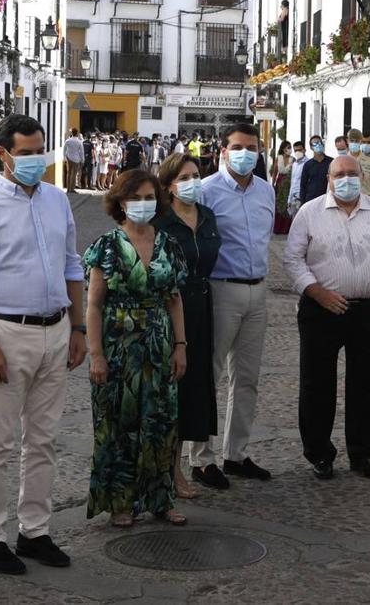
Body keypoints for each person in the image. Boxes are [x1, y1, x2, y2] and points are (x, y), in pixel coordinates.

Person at [0, 114, 86, 575]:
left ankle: (35, 531)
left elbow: (72, 264)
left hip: (57, 330)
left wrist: (79, 328)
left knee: (44, 440)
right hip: (8, 333)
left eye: (39, 150)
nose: (35, 159)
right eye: (25, 153)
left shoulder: (56, 200)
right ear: (3, 154)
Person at [283, 155, 370, 482]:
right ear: (329, 178)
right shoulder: (309, 213)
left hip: (368, 311)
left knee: (367, 385)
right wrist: (316, 292)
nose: (347, 179)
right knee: (317, 383)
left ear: (363, 176)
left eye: (353, 173)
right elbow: (293, 260)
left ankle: (362, 453)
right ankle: (319, 454)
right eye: (340, 174)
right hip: (321, 310)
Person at [85, 169, 189, 527]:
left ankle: (162, 498)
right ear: (120, 202)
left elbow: (175, 300)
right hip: (118, 348)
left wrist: (181, 345)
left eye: (149, 198)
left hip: (159, 345)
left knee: (161, 421)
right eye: (136, 198)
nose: (143, 205)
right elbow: (94, 305)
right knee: (119, 423)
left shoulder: (168, 245)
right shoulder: (107, 246)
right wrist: (95, 353)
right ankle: (121, 502)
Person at [190, 123, 275, 489]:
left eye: (252, 147)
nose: (246, 153)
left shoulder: (266, 191)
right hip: (221, 289)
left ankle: (236, 454)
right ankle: (200, 458)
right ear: (223, 150)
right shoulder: (206, 192)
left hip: (258, 291)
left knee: (248, 379)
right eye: (238, 146)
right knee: (209, 375)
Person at [153, 154, 222, 502]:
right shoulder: (159, 221)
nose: (192, 182)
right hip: (168, 310)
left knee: (192, 389)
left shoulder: (207, 216)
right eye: (183, 177)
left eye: (196, 175)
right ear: (168, 185)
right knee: (168, 390)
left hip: (201, 306)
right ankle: (163, 471)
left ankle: (176, 465)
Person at [345, 129, 370, 197]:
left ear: (361, 141)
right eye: (351, 141)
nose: (354, 143)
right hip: (348, 198)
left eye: (357, 141)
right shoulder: (342, 161)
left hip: (367, 197)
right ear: (347, 141)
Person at [299, 135, 331, 204]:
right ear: (311, 147)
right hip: (311, 200)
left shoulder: (331, 162)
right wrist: (302, 203)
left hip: (326, 200)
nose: (318, 145)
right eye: (315, 144)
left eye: (319, 143)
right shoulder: (307, 165)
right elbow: (303, 186)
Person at [272, 140, 294, 234]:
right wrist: (272, 184)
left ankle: (286, 228)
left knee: (286, 204)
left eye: (290, 147)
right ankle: (278, 228)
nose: (289, 149)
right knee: (278, 204)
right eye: (287, 147)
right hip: (279, 182)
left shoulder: (293, 159)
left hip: (288, 182)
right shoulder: (279, 158)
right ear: (283, 148)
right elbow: (274, 172)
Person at [287, 140, 307, 218]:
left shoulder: (307, 163)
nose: (297, 152)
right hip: (293, 200)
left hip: (302, 199)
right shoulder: (295, 164)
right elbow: (293, 182)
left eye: (300, 150)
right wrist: (289, 199)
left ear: (304, 150)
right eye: (295, 150)